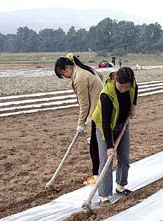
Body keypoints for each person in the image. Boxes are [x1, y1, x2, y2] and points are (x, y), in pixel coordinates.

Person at [54, 53, 104, 185]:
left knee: (94, 145)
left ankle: (97, 175)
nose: (65, 77)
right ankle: (98, 172)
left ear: (66, 68)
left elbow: (84, 104)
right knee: (96, 143)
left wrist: (81, 124)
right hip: (100, 108)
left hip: (97, 112)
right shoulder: (85, 69)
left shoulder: (79, 78)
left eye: (63, 74)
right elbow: (101, 76)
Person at [92, 67, 138, 202]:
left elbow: (135, 89)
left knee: (124, 157)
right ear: (115, 80)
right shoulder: (106, 95)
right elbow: (105, 122)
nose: (123, 89)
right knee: (106, 160)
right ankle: (104, 195)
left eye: (126, 87)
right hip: (104, 127)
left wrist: (133, 106)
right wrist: (110, 146)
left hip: (122, 125)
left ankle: (120, 186)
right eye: (121, 86)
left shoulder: (132, 84)